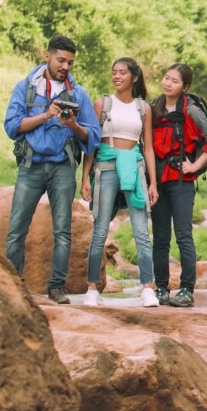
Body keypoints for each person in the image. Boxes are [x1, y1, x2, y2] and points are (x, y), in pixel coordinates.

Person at [3, 35, 101, 304]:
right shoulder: (25, 88)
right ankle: (13, 284)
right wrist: (46, 115)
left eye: (70, 62)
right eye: (61, 60)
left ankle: (56, 287)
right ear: (47, 56)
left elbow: (92, 137)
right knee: (16, 229)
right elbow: (12, 127)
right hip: (30, 165)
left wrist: (73, 126)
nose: (65, 66)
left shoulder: (78, 94)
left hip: (63, 168)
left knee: (63, 231)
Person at [79, 57, 161, 308]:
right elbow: (92, 143)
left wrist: (153, 183)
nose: (116, 76)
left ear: (134, 78)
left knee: (141, 232)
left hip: (134, 168)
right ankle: (92, 289)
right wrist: (85, 177)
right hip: (106, 165)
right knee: (100, 229)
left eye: (122, 73)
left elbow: (147, 148)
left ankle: (147, 288)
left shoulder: (143, 108)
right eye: (114, 72)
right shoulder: (103, 103)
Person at [150, 63, 207, 307]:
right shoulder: (153, 108)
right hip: (158, 181)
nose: (167, 83)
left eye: (175, 81)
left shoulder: (191, 111)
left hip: (181, 182)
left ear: (185, 87)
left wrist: (194, 165)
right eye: (166, 78)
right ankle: (160, 288)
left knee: (183, 235)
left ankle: (186, 290)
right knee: (160, 238)